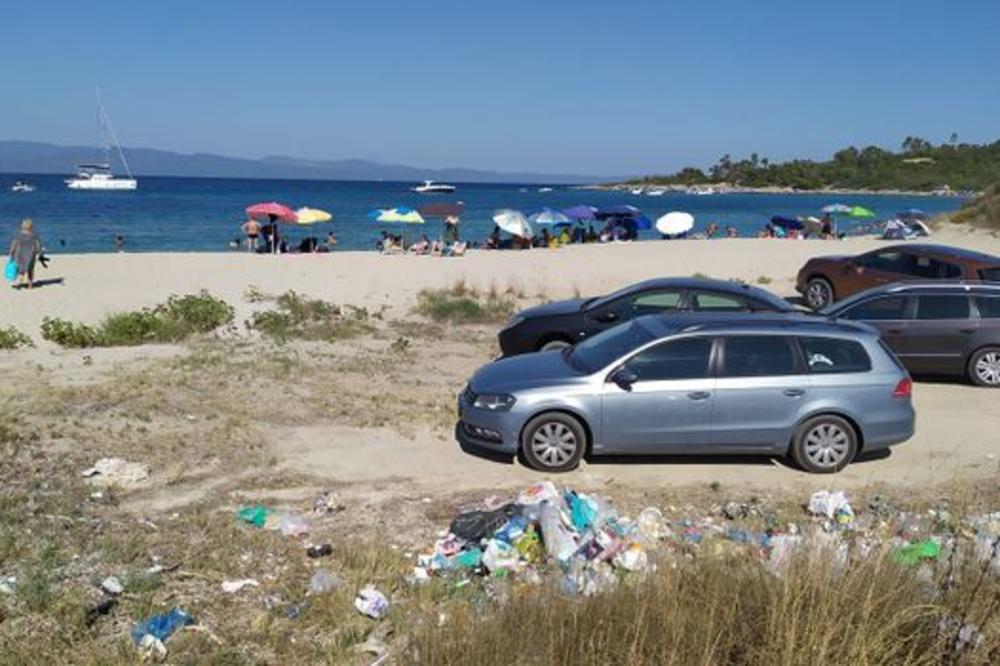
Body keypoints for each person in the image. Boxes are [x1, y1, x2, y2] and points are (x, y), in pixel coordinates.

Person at [9, 218, 42, 290]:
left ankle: (20, 284)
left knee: (21, 270)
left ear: (22, 225)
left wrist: (11, 252)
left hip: (20, 255)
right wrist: (40, 252)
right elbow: (38, 245)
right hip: (31, 255)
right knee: (30, 270)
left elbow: (14, 244)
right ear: (31, 226)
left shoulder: (18, 235)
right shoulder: (34, 235)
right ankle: (30, 285)